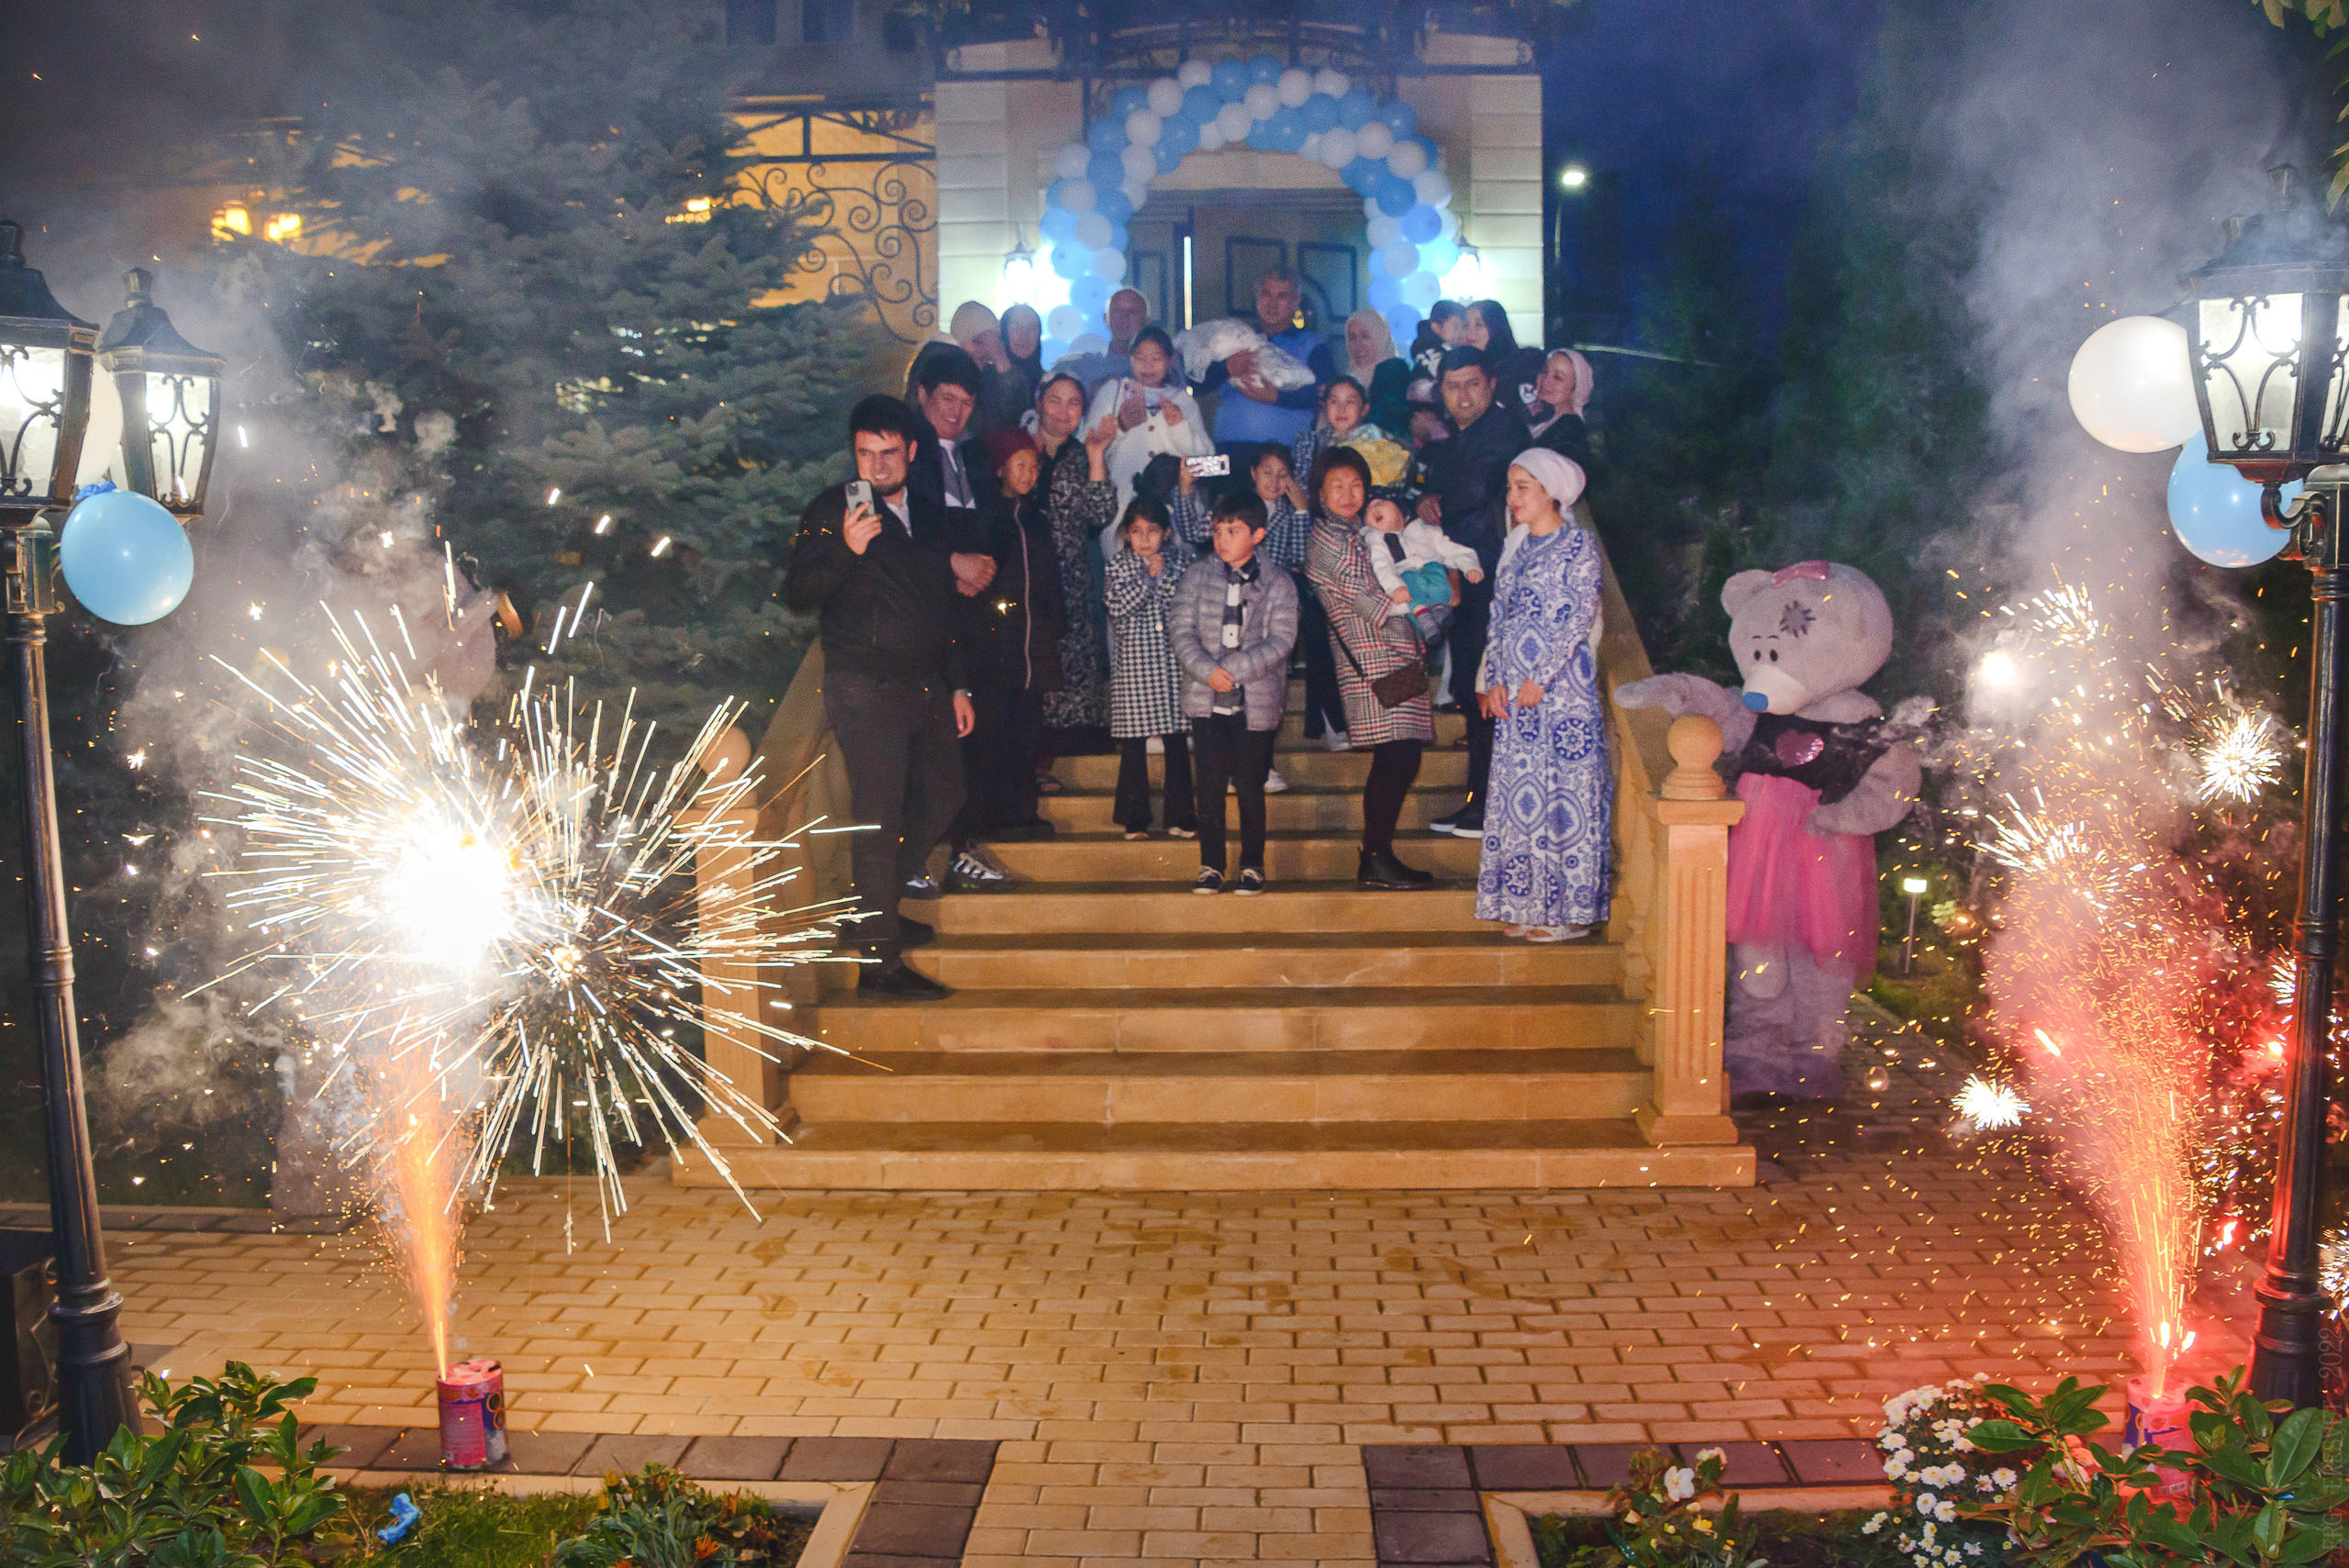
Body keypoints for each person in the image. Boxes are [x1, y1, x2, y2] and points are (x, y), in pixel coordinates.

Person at [783, 395, 977, 999]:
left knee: (947, 790)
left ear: (911, 451)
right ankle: (879, 963)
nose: (876, 465)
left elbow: (943, 605)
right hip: (863, 685)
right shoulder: (833, 510)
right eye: (865, 452)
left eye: (888, 453)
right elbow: (795, 592)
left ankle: (876, 915)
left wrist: (958, 683)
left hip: (923, 681)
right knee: (879, 814)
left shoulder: (927, 511)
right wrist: (847, 549)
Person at [1475, 450, 1609, 941]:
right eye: (1510, 487)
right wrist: (1494, 679)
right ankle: (1527, 904)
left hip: (1562, 693)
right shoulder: (1516, 547)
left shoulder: (1579, 544)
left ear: (1551, 491)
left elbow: (1577, 616)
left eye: (1522, 487)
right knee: (1520, 796)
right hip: (1515, 693)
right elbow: (1498, 617)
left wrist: (1542, 676)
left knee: (1563, 793)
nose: (1512, 498)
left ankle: (1567, 914)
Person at [1305, 446, 1434, 888]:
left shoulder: (1355, 531)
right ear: (1320, 494)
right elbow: (1374, 601)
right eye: (1337, 486)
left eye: (1356, 484)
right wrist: (1426, 606)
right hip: (1374, 659)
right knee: (1397, 756)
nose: (1348, 493)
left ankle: (1377, 856)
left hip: (1391, 654)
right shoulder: (1329, 538)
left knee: (1400, 755)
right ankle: (1375, 857)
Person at [1414, 345, 1530, 841]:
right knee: (1470, 690)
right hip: (1465, 579)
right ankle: (1477, 801)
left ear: (1492, 385)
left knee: (1485, 692)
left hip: (1493, 582)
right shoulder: (1455, 440)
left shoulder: (1503, 431)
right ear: (1441, 393)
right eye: (1453, 386)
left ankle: (1488, 807)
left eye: (1472, 384)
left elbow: (1483, 487)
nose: (1463, 395)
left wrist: (1434, 499)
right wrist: (1425, 498)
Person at [1171, 491, 1298, 895]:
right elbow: (1181, 631)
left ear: (1258, 534)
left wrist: (1236, 669)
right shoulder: (1196, 576)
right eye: (1217, 530)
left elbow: (1282, 639)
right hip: (1207, 701)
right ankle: (1211, 865)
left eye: (1234, 530)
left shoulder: (1278, 581)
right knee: (1208, 786)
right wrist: (1208, 672)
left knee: (1249, 786)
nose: (1222, 539)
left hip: (1254, 702)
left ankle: (1252, 864)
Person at [968, 427, 1065, 848]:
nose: (1028, 473)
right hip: (997, 646)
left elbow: (1048, 578)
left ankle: (1023, 811)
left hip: (1034, 644)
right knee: (996, 731)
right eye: (1020, 464)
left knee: (1027, 732)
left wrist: (1055, 622)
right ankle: (992, 813)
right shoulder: (987, 519)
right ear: (1000, 469)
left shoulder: (1036, 521)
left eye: (1033, 465)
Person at [1103, 497, 1198, 841]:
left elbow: (1186, 602)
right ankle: (1134, 819)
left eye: (1153, 531)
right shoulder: (1118, 565)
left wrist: (1162, 576)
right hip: (1135, 667)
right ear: (1127, 535)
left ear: (1167, 533)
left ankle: (1181, 815)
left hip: (1172, 665)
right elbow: (1117, 605)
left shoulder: (1182, 561)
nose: (1144, 539)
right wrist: (1147, 578)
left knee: (1176, 742)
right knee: (1134, 746)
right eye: (1136, 531)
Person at [1039, 395, 1121, 749]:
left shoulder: (1080, 455)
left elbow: (1101, 514)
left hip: (1072, 568)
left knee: (1076, 650)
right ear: (1039, 403)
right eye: (1055, 401)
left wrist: (1095, 455)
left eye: (1073, 403)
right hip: (1026, 566)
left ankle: (1077, 737)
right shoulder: (1018, 447)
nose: (1063, 410)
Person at [1197, 268, 1338, 449]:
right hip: (1230, 451)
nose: (1272, 304)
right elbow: (1196, 385)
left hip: (1285, 457)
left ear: (1296, 302)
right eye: (1266, 294)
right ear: (1256, 297)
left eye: (1282, 296)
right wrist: (1226, 367)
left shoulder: (1311, 345)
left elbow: (1328, 396)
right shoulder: (1234, 338)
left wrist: (1276, 397)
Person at [1082, 324, 1213, 511]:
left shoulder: (1183, 401)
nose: (1147, 365)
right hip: (1123, 508)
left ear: (1170, 362)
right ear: (1131, 359)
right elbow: (1084, 452)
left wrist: (1178, 428)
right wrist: (1120, 427)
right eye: (1140, 357)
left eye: (1156, 358)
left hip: (1174, 512)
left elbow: (1206, 463)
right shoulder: (1112, 392)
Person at [1362, 487, 1483, 649]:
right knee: (1410, 579)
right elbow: (1382, 565)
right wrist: (1395, 587)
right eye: (1367, 510)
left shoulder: (1420, 529)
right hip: (1407, 582)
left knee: (1435, 568)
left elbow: (1449, 548)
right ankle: (1424, 618)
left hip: (1434, 581)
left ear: (1400, 511)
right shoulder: (1377, 541)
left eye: (1380, 503)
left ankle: (1439, 607)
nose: (1373, 509)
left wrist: (1470, 566)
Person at [906, 345, 998, 526]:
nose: (956, 412)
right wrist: (947, 556)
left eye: (967, 403)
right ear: (923, 394)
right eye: (948, 399)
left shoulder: (975, 452)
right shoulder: (904, 448)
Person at [1291, 374, 1408, 492]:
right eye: (1334, 401)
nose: (1341, 409)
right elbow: (1301, 491)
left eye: (1350, 402)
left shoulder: (1380, 444)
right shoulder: (1308, 442)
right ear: (1325, 406)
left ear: (1364, 409)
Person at [1052, 288, 1152, 394]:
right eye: (1117, 310)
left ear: (1146, 321)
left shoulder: (1163, 368)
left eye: (1133, 312)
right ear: (1106, 318)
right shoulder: (1079, 366)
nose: (1124, 317)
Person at [1463, 299, 1544, 426]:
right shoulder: (1468, 368)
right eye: (1466, 325)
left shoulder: (1519, 366)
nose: (1470, 333)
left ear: (1495, 327)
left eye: (1479, 324)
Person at [1340, 307, 1413, 436]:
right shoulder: (1346, 378)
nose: (1358, 344)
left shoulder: (1393, 372)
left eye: (1365, 336)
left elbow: (1390, 422)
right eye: (1352, 337)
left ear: (1380, 336)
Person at [975, 303, 1046, 435]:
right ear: (1003, 333)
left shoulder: (1048, 382)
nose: (1024, 336)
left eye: (1032, 329)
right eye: (1016, 327)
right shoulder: (985, 376)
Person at [1525, 348, 1596, 473]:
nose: (1546, 380)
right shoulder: (1539, 419)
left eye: (1558, 377)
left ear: (1575, 389)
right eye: (1544, 371)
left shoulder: (1570, 432)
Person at [1408, 299, 1466, 379]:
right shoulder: (1428, 355)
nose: (1461, 331)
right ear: (1436, 327)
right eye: (1455, 326)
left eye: (1464, 326)